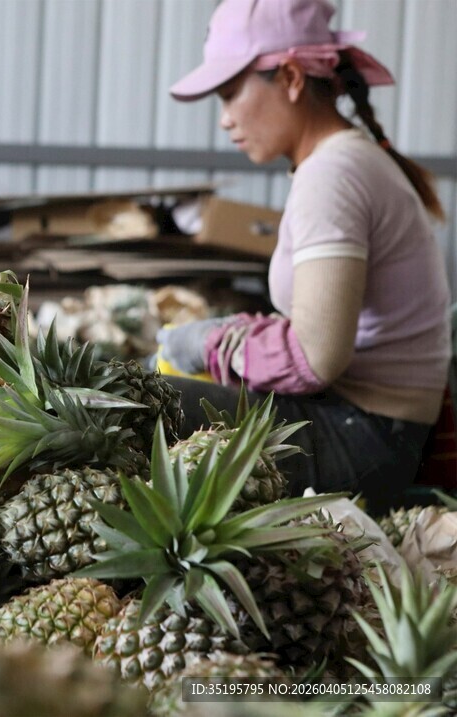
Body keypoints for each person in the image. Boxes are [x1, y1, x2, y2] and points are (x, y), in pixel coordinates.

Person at [157, 0, 453, 514]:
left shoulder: (333, 174)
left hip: (366, 436)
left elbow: (316, 355)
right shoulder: (340, 162)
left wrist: (211, 342)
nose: (225, 119)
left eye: (230, 94)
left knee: (137, 404)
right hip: (371, 422)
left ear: (291, 77)